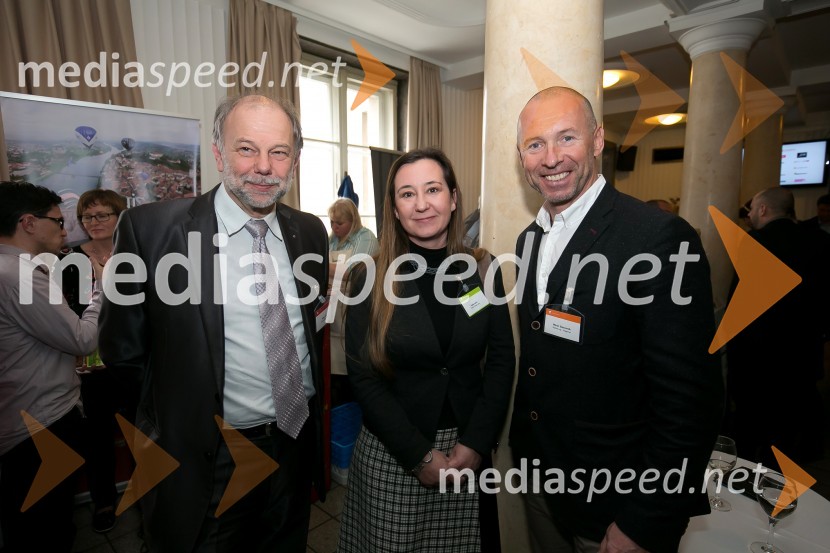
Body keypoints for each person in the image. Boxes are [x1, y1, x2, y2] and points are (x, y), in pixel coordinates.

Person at [98, 94, 329, 552]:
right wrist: (172, 425)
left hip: (294, 445)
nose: (263, 167)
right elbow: (123, 354)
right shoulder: (151, 231)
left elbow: (306, 326)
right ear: (219, 153)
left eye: (279, 152)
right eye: (247, 149)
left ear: (295, 160)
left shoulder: (309, 232)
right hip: (208, 457)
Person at [510, 87, 723, 553]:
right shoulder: (528, 240)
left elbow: (690, 402)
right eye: (535, 144)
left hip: (617, 501)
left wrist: (647, 521)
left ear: (598, 139)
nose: (551, 158)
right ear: (521, 156)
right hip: (541, 481)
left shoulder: (657, 238)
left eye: (567, 137)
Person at [337, 148, 515, 552]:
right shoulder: (368, 277)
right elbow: (363, 378)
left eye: (433, 189)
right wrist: (418, 455)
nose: (421, 204)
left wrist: (476, 442)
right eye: (407, 194)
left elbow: (502, 359)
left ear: (453, 199)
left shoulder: (483, 269)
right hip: (394, 450)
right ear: (394, 209)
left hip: (465, 451)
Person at [0, 181, 102, 552]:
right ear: (28, 223)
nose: (65, 230)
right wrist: (103, 289)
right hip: (41, 422)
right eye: (58, 222)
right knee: (46, 528)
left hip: (25, 414)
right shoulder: (19, 275)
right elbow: (82, 339)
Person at [727, 187, 830, 465]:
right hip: (802, 349)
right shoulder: (820, 241)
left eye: (752, 209)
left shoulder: (755, 241)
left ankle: (745, 474)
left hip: (757, 352)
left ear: (762, 210)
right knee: (786, 425)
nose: (750, 214)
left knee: (749, 423)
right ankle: (776, 475)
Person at [61, 189, 129, 533]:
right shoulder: (68, 260)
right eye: (87, 216)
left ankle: (154, 498)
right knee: (97, 438)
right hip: (90, 366)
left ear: (119, 217)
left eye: (103, 214)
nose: (93, 222)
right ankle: (103, 501)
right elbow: (64, 312)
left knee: (142, 433)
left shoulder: (135, 254)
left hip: (131, 361)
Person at [326, 198, 379, 405]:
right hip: (333, 310)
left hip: (356, 306)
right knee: (335, 374)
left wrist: (323, 266)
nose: (335, 227)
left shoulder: (365, 238)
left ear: (353, 220)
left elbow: (352, 271)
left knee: (356, 362)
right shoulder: (332, 240)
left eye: (340, 223)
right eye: (332, 222)